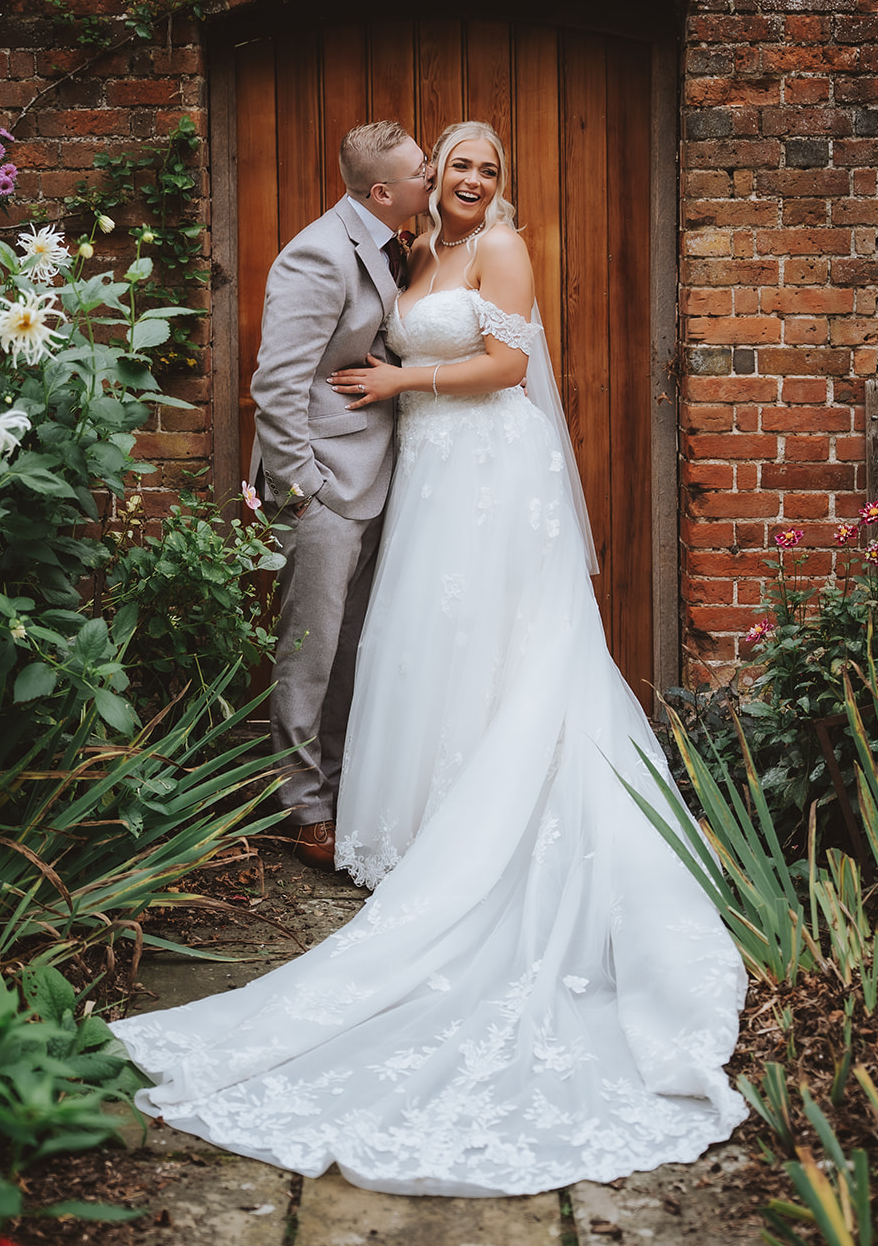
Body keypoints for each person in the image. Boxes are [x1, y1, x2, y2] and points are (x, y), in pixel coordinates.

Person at [112, 121, 748, 1197]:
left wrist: (401, 386)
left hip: (491, 473)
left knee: (505, 645)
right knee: (421, 645)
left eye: (483, 168)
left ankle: (499, 821)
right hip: (426, 479)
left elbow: (506, 364)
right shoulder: (409, 257)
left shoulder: (501, 248)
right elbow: (303, 367)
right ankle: (414, 819)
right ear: (417, 181)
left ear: (495, 185)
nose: (465, 180)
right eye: (452, 164)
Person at [248, 120, 432, 870]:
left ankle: (343, 792)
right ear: (382, 190)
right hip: (324, 486)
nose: (433, 178)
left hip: (377, 478)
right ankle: (302, 808)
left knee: (357, 649)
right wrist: (303, 494)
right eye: (422, 171)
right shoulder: (318, 254)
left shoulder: (392, 246)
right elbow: (275, 386)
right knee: (311, 654)